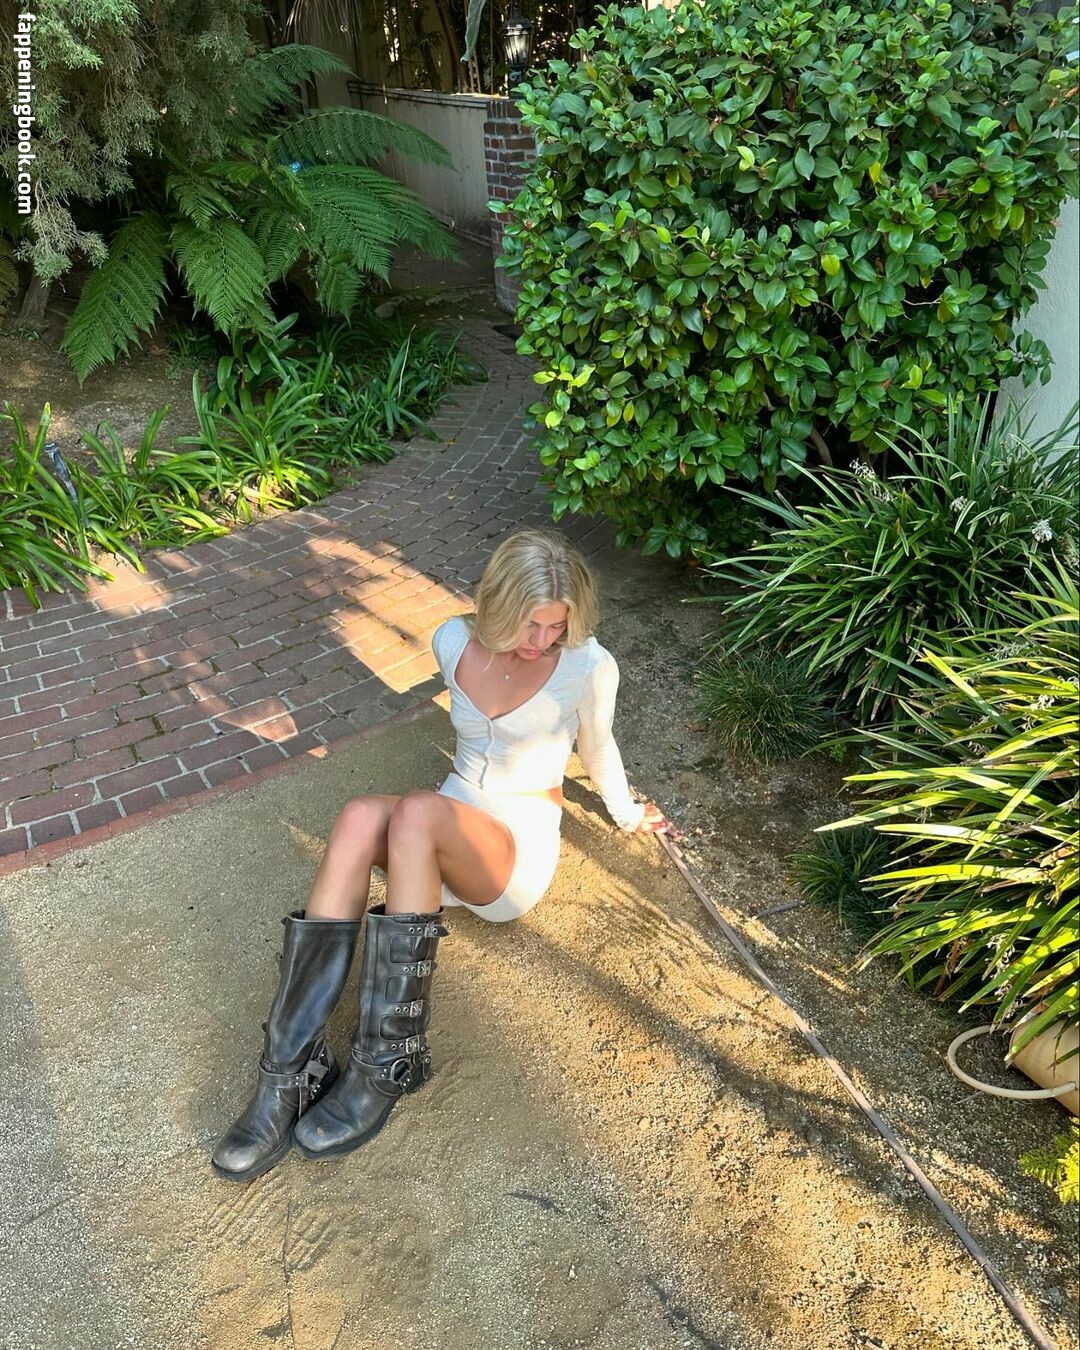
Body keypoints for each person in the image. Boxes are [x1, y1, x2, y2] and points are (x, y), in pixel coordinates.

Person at [211, 527, 680, 1182]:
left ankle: (387, 1061)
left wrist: (628, 812)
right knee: (359, 816)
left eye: (556, 627)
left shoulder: (588, 666)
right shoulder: (452, 639)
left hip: (512, 846)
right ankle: (289, 1070)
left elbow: (598, 748)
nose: (543, 639)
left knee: (417, 810)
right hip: (437, 826)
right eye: (531, 624)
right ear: (498, 604)